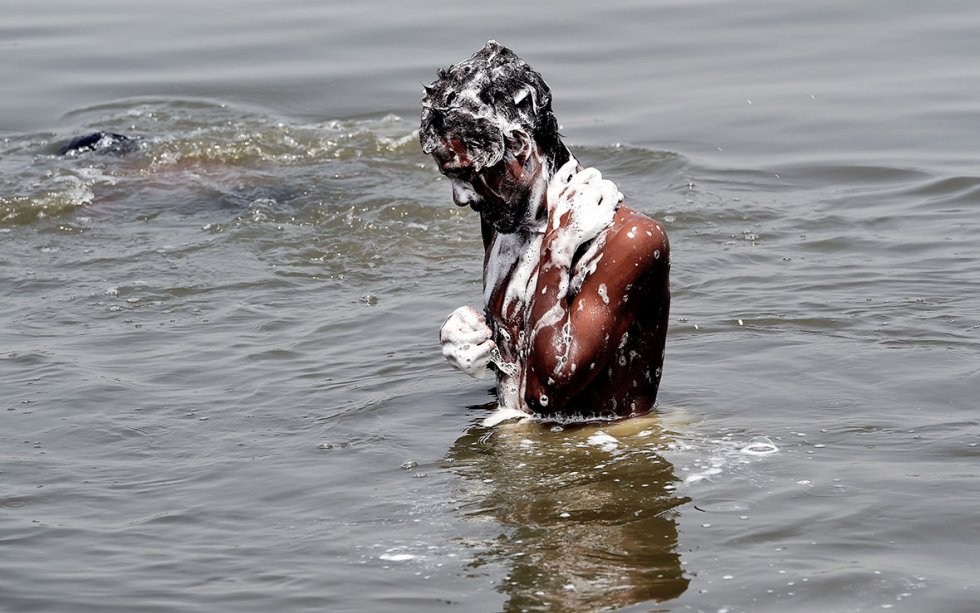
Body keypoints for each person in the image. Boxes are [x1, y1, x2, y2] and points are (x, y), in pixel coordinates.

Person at [421, 41, 670, 420]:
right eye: (451, 178)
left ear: (520, 147)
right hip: (526, 449)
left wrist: (559, 246)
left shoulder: (629, 241)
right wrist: (471, 340)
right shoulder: (502, 217)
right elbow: (523, 346)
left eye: (469, 175)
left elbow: (547, 390)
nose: (459, 197)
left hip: (607, 461)